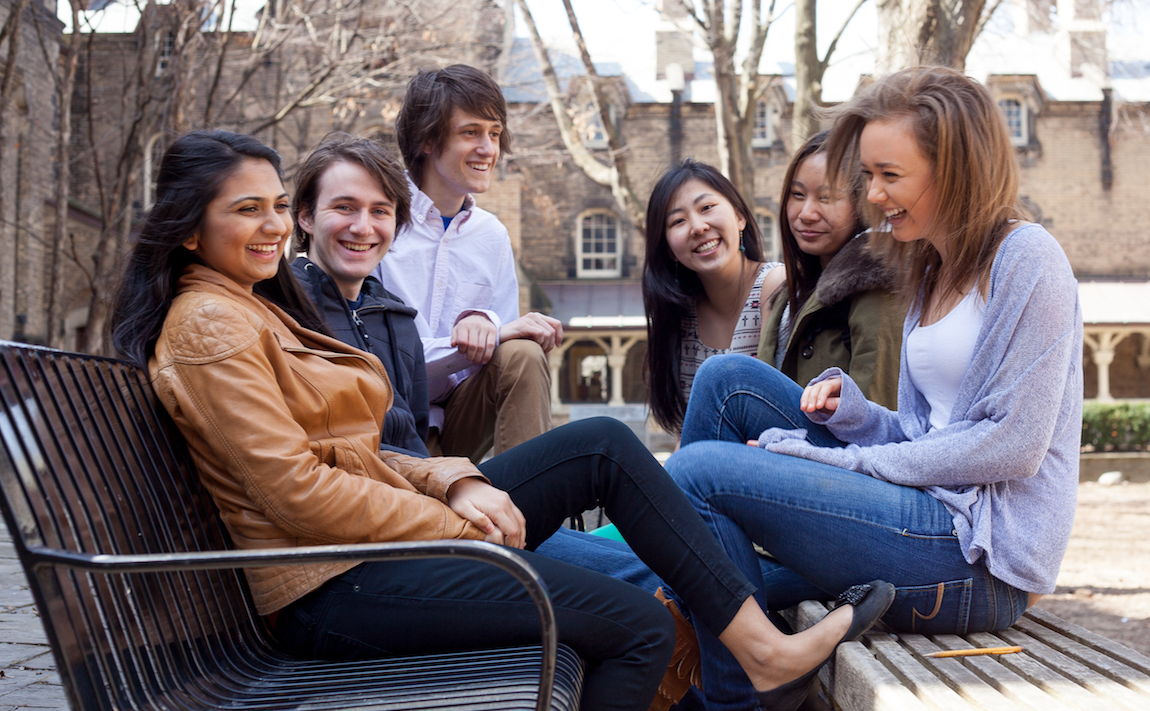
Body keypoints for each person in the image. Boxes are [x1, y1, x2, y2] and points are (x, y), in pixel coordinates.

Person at [110, 129, 892, 711]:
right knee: (635, 626)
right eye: (248, 210)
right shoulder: (213, 326)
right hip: (333, 583)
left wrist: (455, 479)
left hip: (367, 547)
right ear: (188, 227)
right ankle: (760, 649)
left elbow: (359, 451)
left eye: (277, 205)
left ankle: (756, 648)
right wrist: (446, 516)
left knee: (605, 446)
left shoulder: (251, 309)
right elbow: (296, 495)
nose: (274, 225)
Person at [666, 66, 1084, 711]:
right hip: (924, 514)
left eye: (892, 176)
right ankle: (728, 637)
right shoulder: (930, 268)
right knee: (726, 380)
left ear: (957, 169)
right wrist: (862, 419)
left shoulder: (1027, 258)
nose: (875, 195)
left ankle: (735, 695)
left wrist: (849, 457)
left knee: (696, 474)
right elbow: (927, 434)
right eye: (870, 176)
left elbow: (1013, 444)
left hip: (976, 558)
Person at [376, 64, 563, 462]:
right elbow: (389, 363)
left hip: (462, 416)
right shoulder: (377, 223)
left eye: (494, 134)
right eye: (471, 133)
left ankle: (531, 505)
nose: (488, 149)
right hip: (390, 423)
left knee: (523, 354)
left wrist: (498, 331)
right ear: (427, 139)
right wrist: (490, 331)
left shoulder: (491, 235)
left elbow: (503, 355)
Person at [291, 132, 431, 457]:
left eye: (380, 211)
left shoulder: (400, 322)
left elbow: (415, 436)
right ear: (306, 216)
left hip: (416, 488)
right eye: (345, 207)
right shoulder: (279, 311)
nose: (363, 227)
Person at [757, 131, 903, 405]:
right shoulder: (792, 291)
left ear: (863, 204)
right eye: (797, 194)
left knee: (721, 376)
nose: (806, 213)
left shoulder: (878, 286)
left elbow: (877, 411)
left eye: (826, 198)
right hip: (775, 441)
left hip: (829, 446)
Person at [641, 159, 784, 436]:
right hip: (708, 465)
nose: (697, 226)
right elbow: (690, 433)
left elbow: (772, 412)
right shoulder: (680, 317)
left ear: (740, 217)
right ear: (669, 250)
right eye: (678, 221)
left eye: (707, 208)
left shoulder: (774, 285)